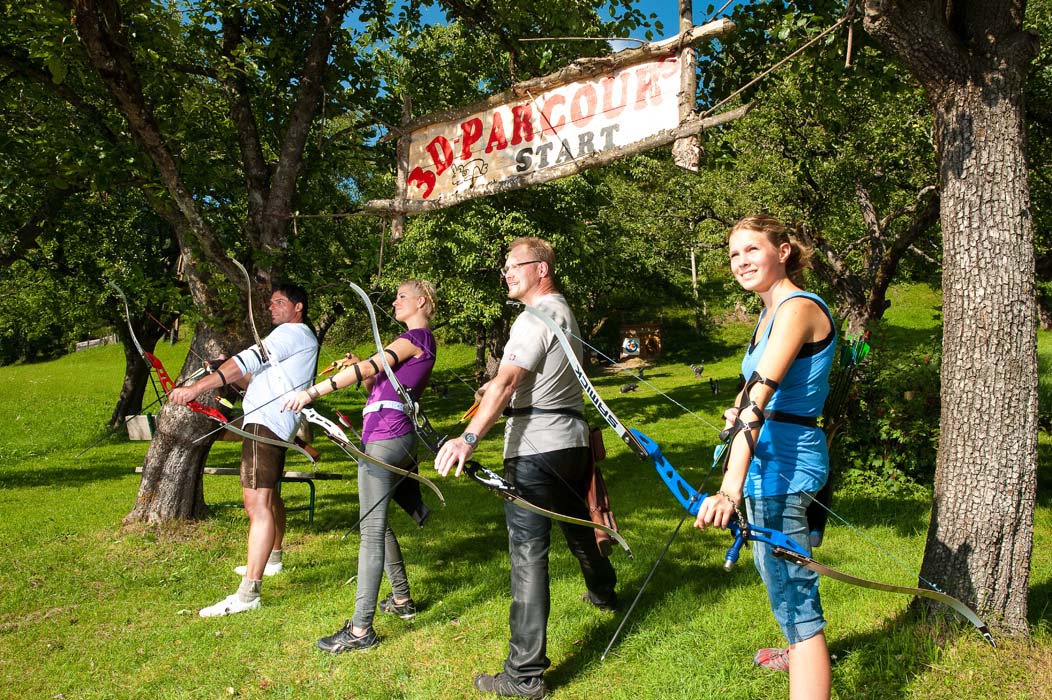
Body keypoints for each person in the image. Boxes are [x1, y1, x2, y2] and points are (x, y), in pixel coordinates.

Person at [435, 237, 617, 700]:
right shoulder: (561, 310)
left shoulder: (534, 315)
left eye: (514, 265)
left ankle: (523, 676)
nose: (506, 273)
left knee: (528, 556)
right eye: (504, 267)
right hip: (570, 446)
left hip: (536, 450)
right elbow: (528, 382)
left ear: (542, 269)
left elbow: (508, 380)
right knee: (578, 529)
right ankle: (603, 591)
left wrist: (467, 438)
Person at [694, 215, 836, 700]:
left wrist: (729, 487)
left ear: (784, 251)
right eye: (734, 254)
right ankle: (798, 656)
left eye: (752, 250)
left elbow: (763, 397)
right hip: (768, 460)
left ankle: (805, 661)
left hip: (785, 468)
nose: (741, 262)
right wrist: (736, 411)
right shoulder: (770, 312)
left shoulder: (796, 308)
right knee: (778, 578)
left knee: (797, 603)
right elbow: (753, 392)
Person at [282, 280, 438, 653]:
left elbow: (374, 364)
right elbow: (376, 381)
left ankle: (360, 630)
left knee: (370, 532)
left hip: (386, 439)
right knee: (377, 525)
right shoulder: (414, 344)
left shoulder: (416, 337)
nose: (396, 302)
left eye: (402, 296)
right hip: (388, 437)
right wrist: (362, 370)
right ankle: (401, 600)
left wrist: (312, 392)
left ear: (421, 301)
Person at [170, 282, 319, 617]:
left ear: (298, 307)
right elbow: (255, 380)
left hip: (265, 424)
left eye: (280, 302)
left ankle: (249, 593)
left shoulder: (291, 333)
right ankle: (273, 560)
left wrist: (197, 388)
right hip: (269, 422)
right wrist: (226, 372)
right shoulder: (291, 340)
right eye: (270, 303)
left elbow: (248, 359)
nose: (271, 307)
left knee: (257, 504)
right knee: (269, 497)